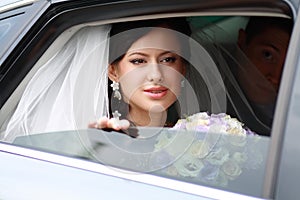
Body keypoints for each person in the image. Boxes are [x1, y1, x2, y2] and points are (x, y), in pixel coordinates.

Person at [219, 16, 293, 136]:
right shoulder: (205, 95)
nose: (276, 77)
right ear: (242, 41)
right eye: (267, 55)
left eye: (291, 63)